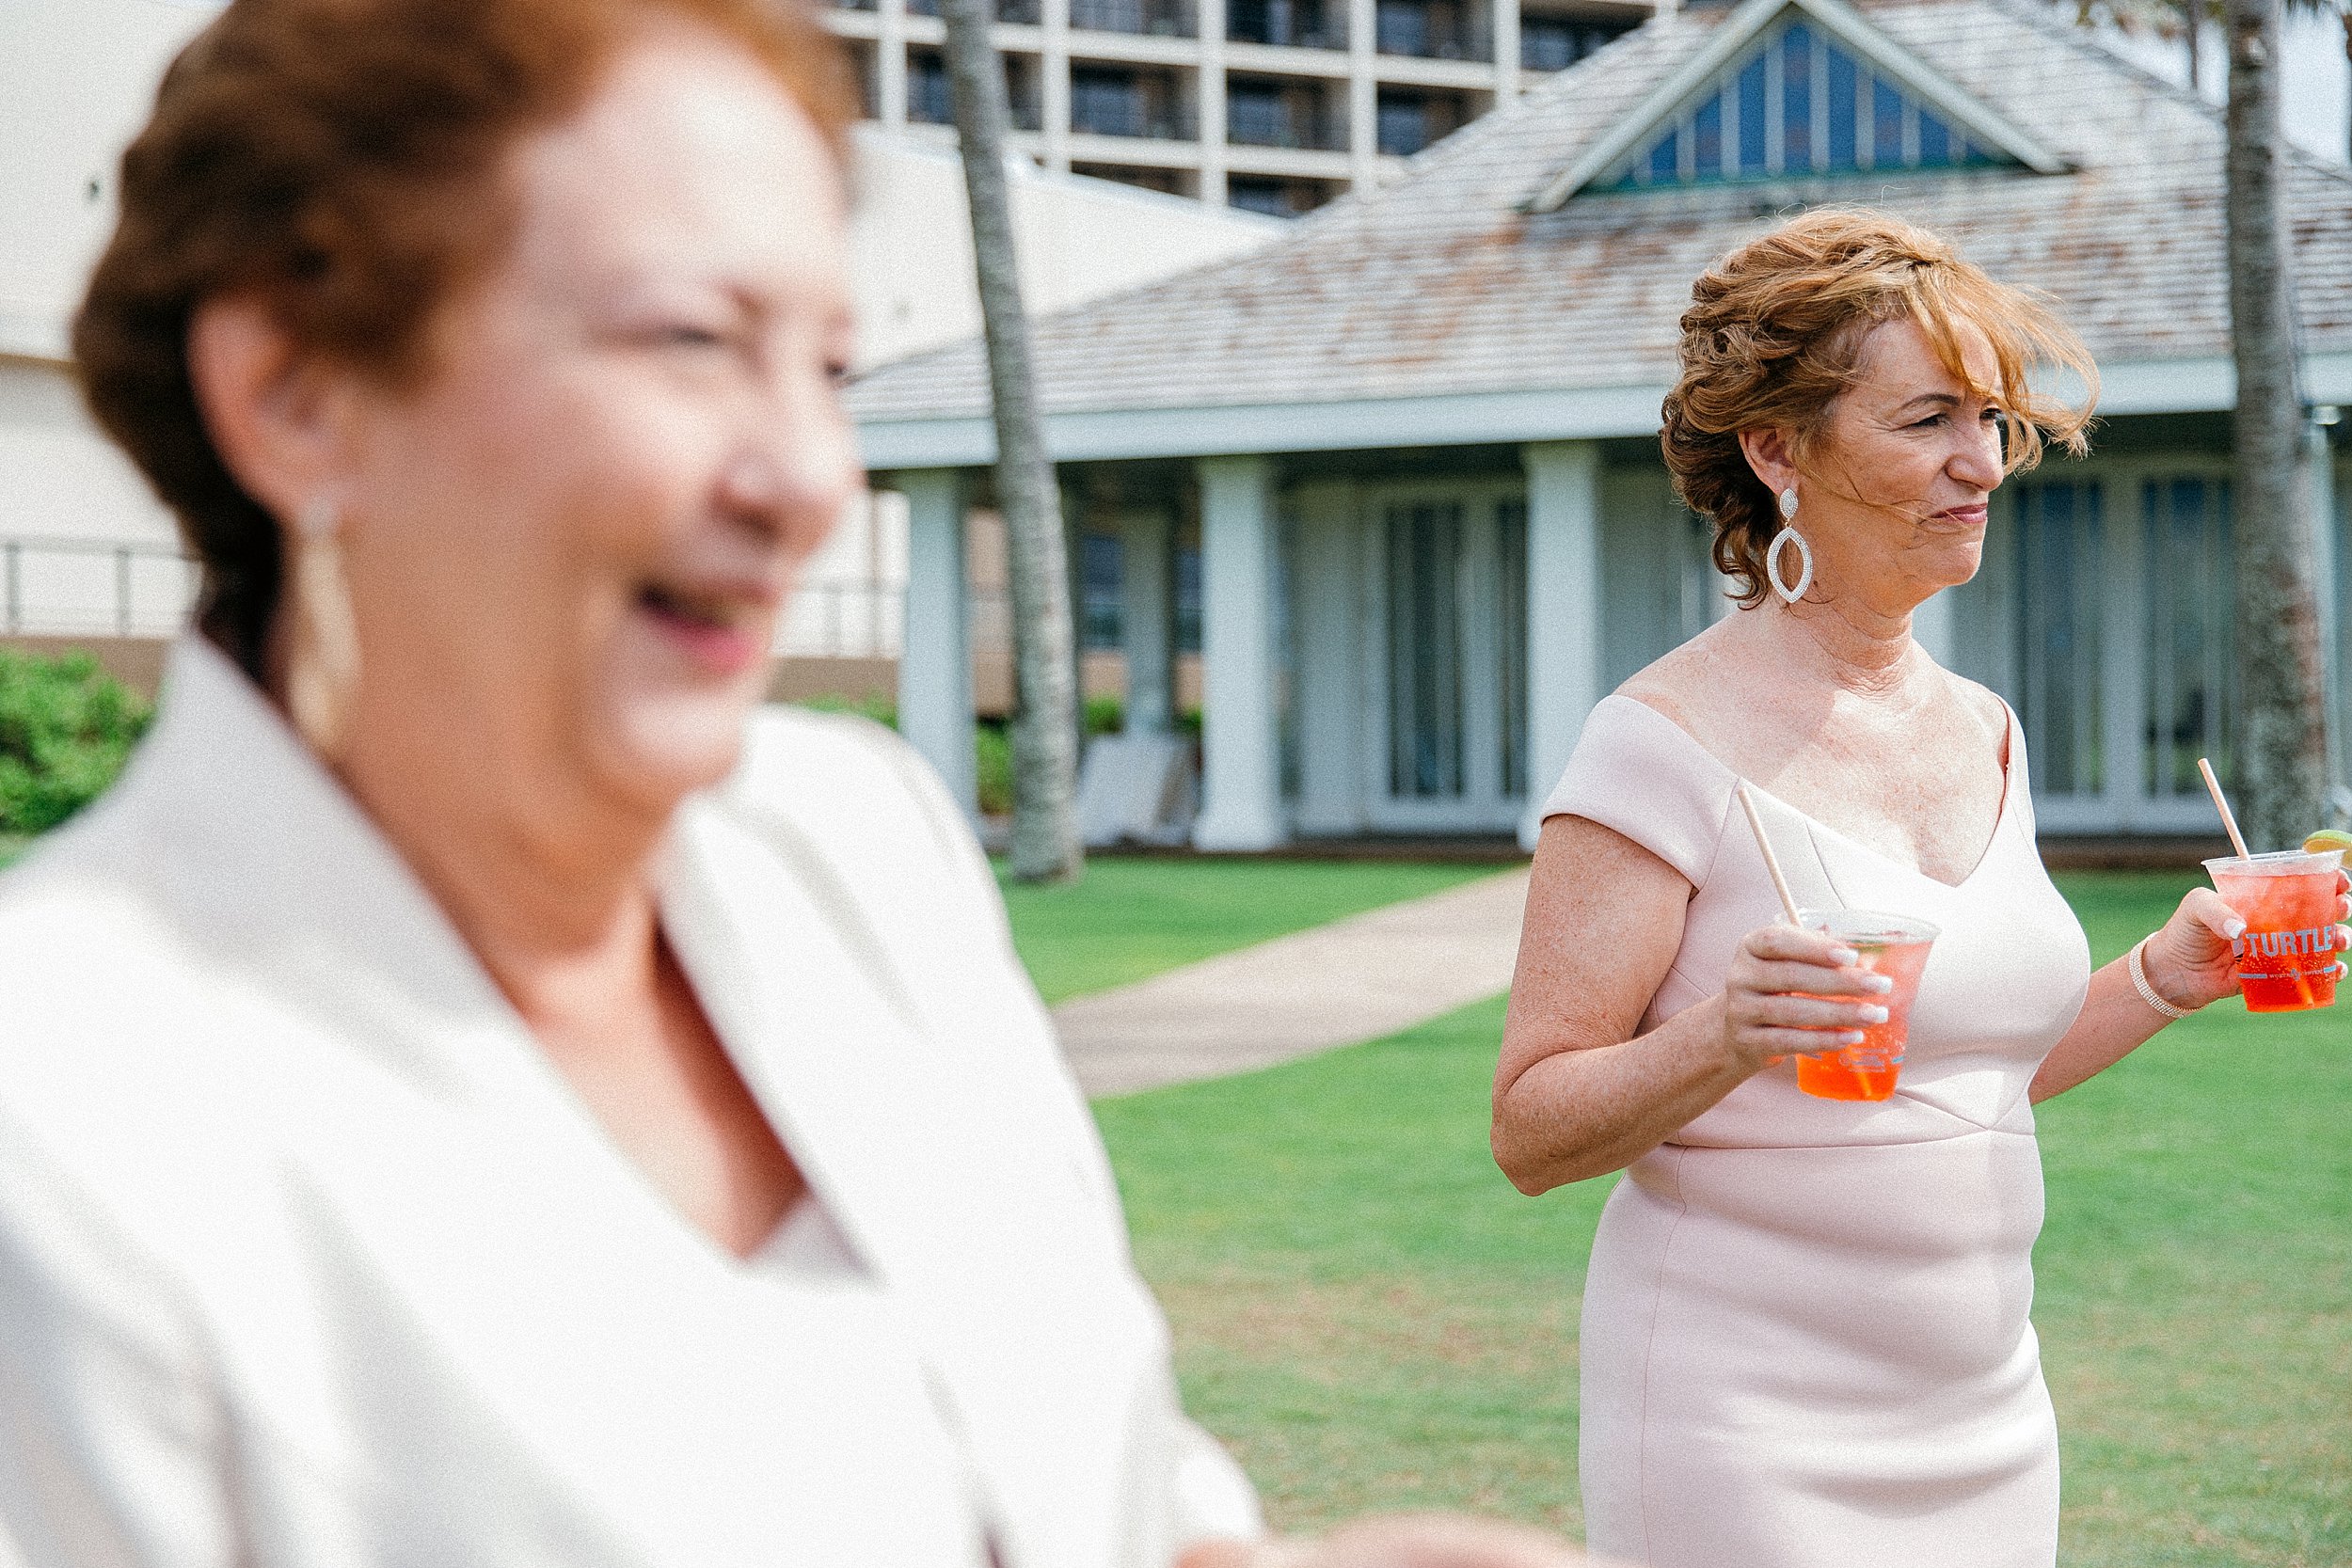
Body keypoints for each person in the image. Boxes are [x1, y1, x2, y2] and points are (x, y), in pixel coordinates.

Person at [0, 2, 1598, 1565]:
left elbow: (1073, 1468)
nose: (812, 481)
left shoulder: (853, 844)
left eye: (826, 366)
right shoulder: (66, 1121)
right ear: (297, 394)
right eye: (691, 341)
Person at [1490, 210, 2352, 1568]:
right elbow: (1531, 1128)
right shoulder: (1656, 741)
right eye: (1927, 420)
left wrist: (2161, 978)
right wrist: (1726, 1034)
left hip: (1989, 1413)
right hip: (1741, 1425)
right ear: (1778, 450)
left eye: (1993, 421)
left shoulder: (1988, 727)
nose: (1981, 465)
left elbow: (1960, 1075)